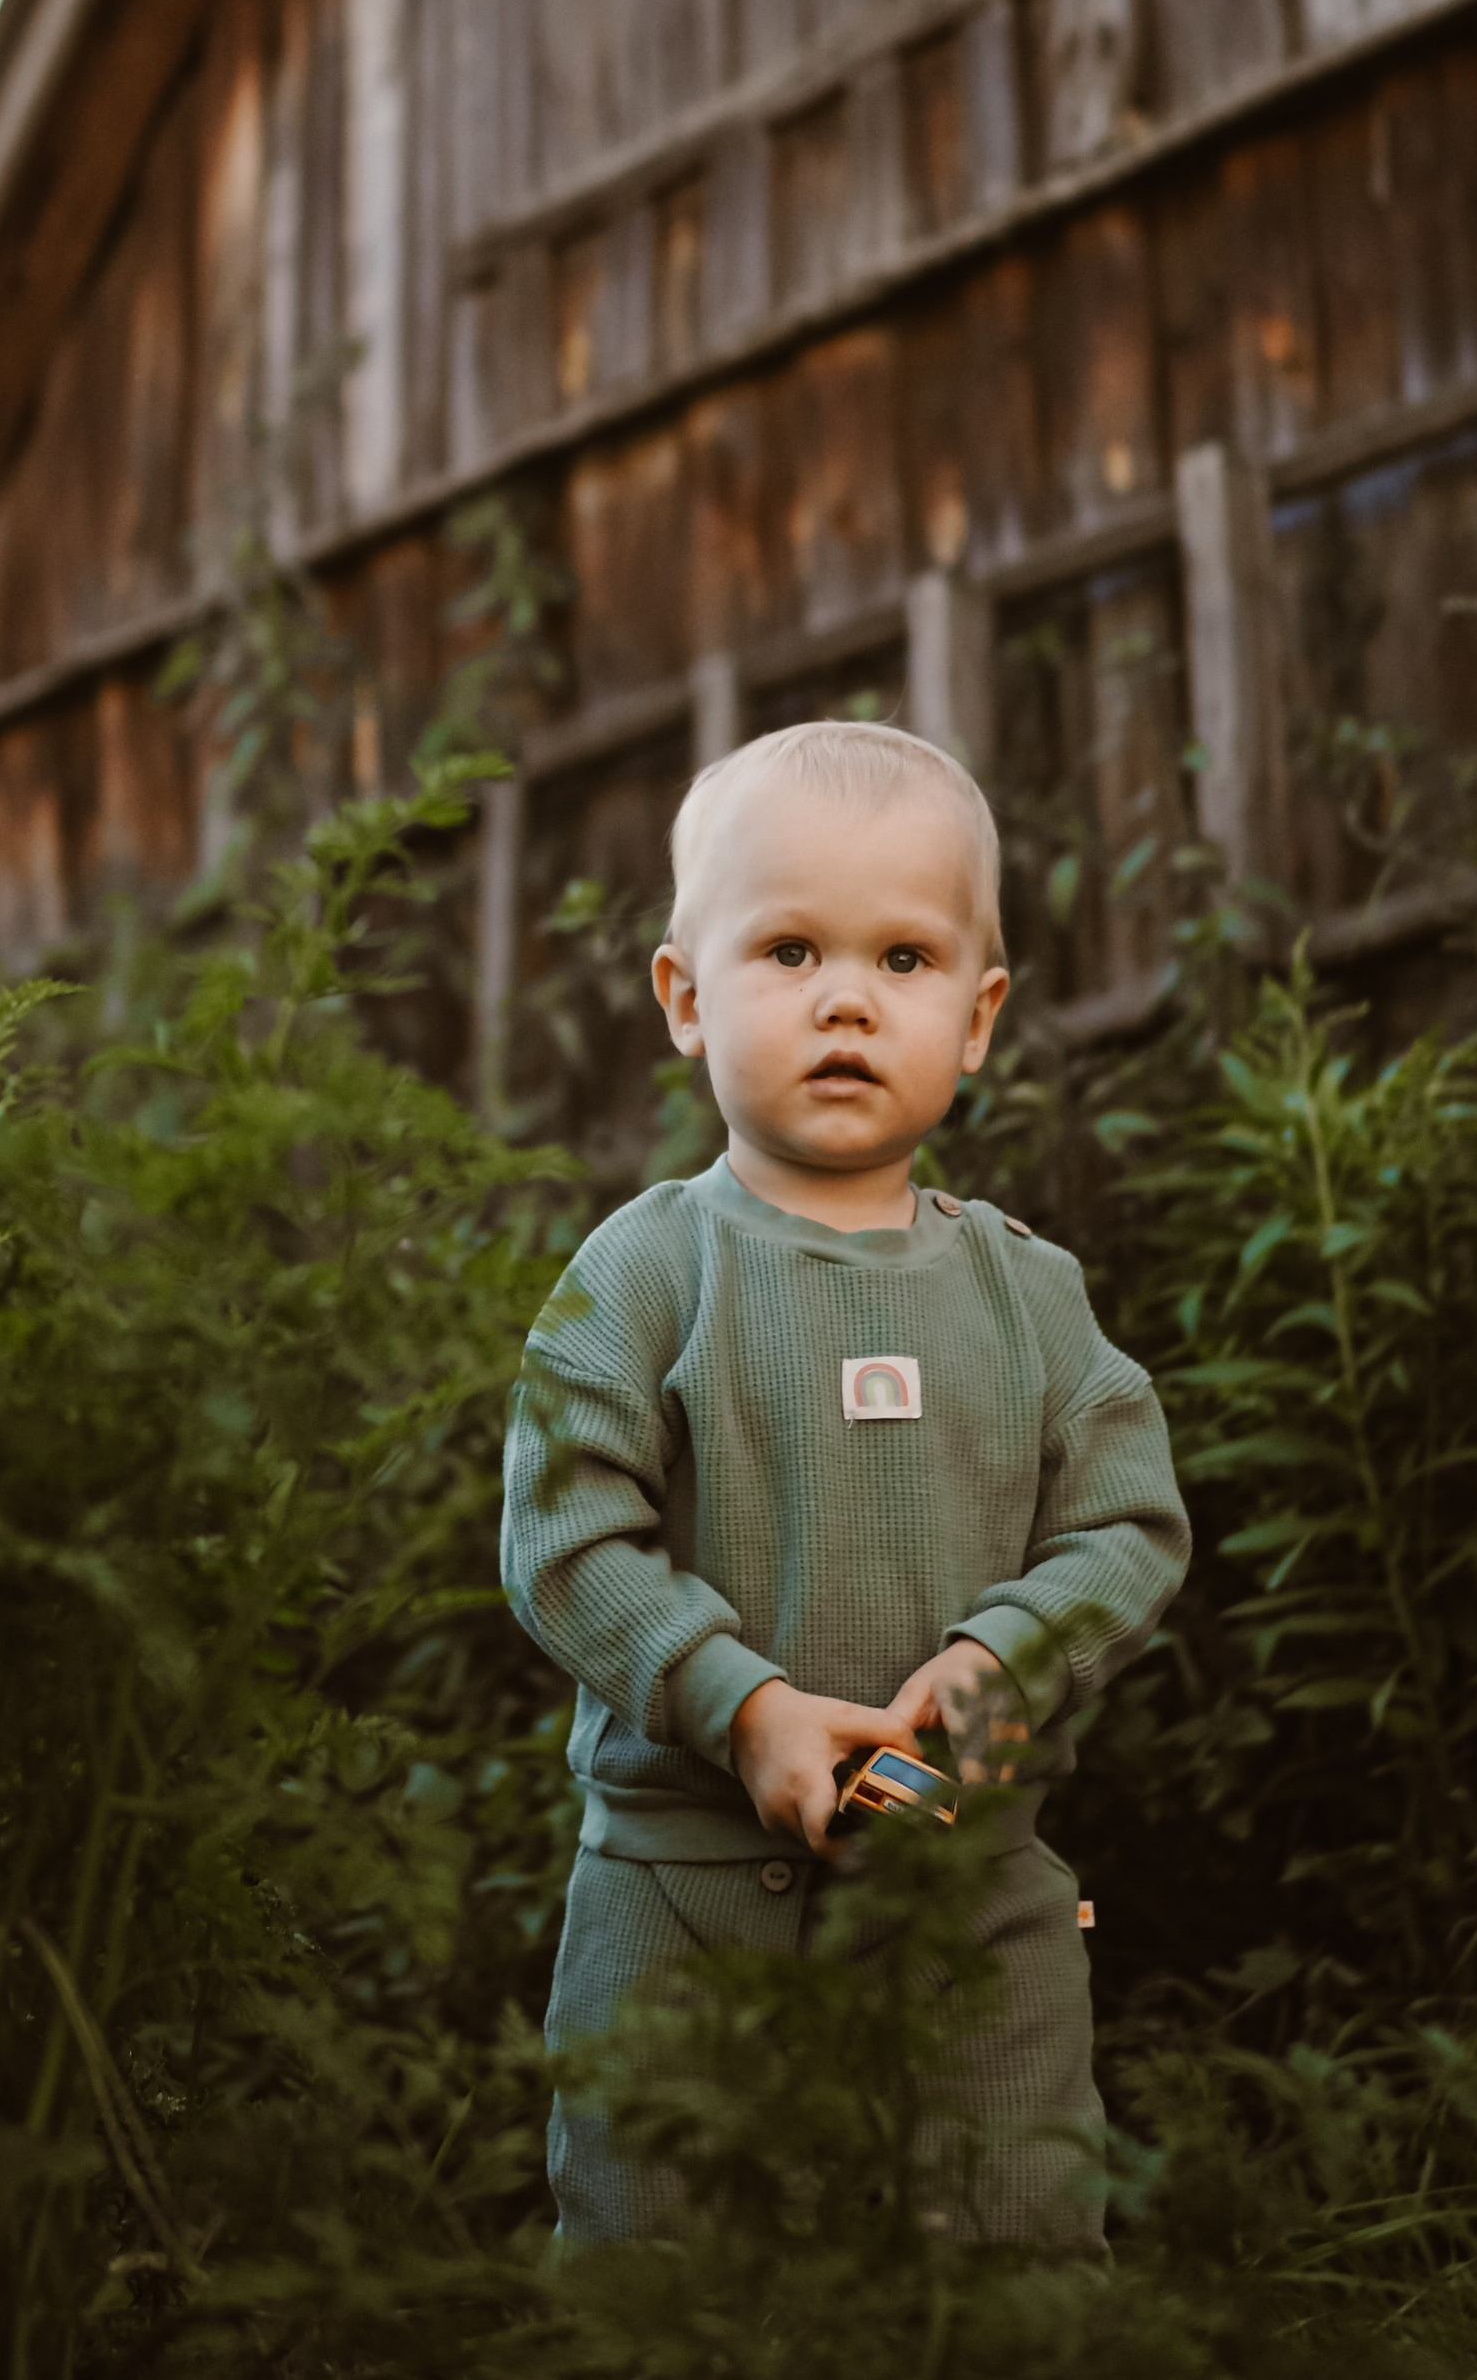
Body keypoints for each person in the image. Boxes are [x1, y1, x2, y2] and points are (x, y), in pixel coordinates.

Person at [499, 716, 1191, 2249]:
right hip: (683, 1888)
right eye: (790, 948)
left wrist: (996, 1661)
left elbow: (1126, 1522)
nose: (844, 1002)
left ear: (982, 1013)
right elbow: (565, 1529)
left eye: (902, 962)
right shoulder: (646, 1269)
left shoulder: (1027, 1294)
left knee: (1007, 2240)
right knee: (666, 2250)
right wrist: (743, 1702)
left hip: (971, 1889)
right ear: (686, 997)